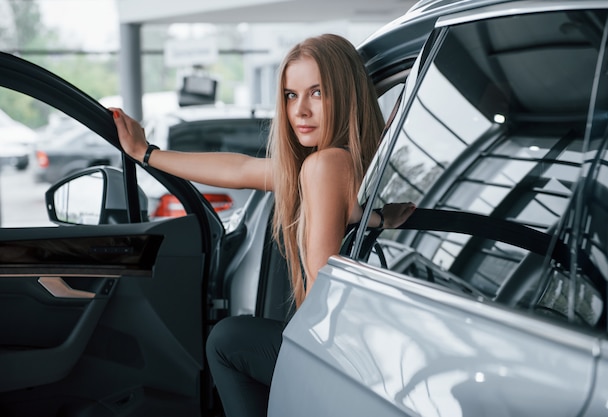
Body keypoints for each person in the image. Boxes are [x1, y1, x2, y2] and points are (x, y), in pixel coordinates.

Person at [110, 33, 415, 417]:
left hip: (334, 354)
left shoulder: (324, 166)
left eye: (317, 93)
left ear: (347, 95)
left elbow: (324, 289)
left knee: (227, 341)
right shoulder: (351, 167)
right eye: (291, 95)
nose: (300, 110)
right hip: (372, 353)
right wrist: (146, 153)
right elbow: (239, 169)